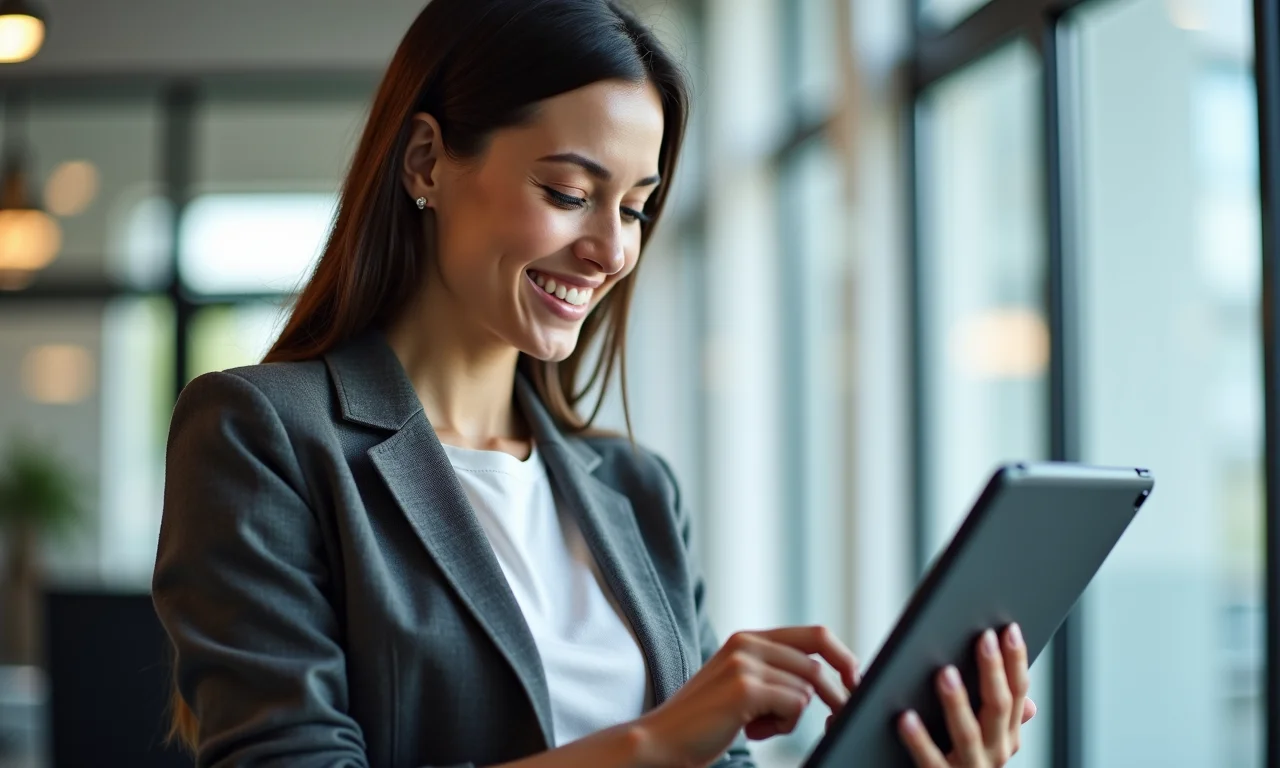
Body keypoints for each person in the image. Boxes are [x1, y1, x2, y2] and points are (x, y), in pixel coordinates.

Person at [151, 1, 1035, 766]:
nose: (612, 250)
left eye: (638, 206)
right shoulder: (262, 434)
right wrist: (652, 743)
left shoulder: (638, 492)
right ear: (425, 163)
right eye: (571, 192)